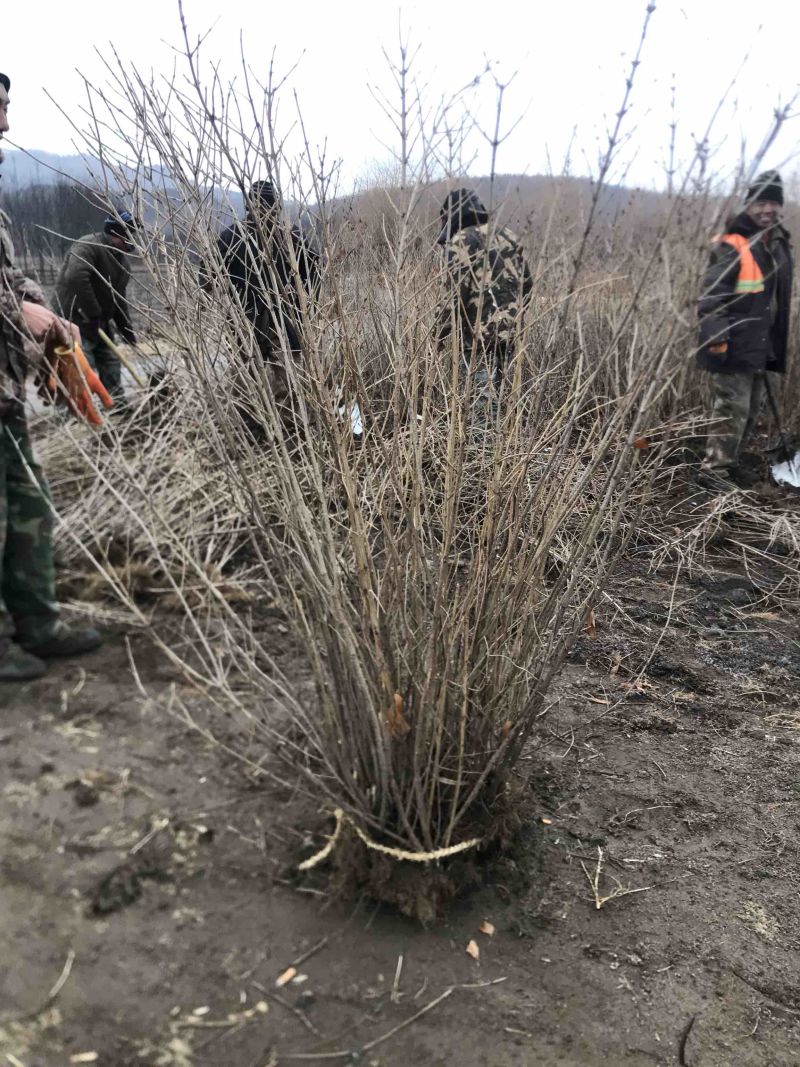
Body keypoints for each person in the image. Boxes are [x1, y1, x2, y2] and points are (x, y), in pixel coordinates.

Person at [0, 71, 102, 681]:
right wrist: (21, 314)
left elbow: (9, 280)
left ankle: (38, 625)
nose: (6, 122)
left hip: (5, 392)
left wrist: (46, 321)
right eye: (0, 107)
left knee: (28, 504)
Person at [697, 169, 793, 483]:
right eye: (760, 202)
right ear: (749, 205)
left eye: (772, 203)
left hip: (761, 343)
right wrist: (718, 339)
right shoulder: (733, 242)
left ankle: (731, 462)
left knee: (750, 410)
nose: (767, 209)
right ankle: (714, 471)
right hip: (732, 343)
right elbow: (712, 295)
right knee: (730, 409)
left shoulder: (778, 241)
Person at [203, 180, 320, 432]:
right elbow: (315, 273)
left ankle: (255, 428)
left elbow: (206, 278)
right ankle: (291, 428)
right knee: (287, 379)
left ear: (248, 206)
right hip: (277, 322)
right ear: (276, 205)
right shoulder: (291, 236)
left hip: (249, 320)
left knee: (252, 378)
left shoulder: (231, 236)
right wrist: (306, 307)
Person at [435, 188, 532, 409]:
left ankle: (484, 444)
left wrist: (438, 336)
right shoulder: (508, 236)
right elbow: (527, 284)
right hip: (509, 335)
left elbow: (452, 299)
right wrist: (514, 317)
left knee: (481, 407)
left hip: (477, 340)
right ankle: (505, 443)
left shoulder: (461, 241)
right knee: (502, 398)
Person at [55, 211, 139, 402]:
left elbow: (118, 299)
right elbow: (76, 276)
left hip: (98, 320)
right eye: (128, 235)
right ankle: (72, 413)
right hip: (72, 318)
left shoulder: (123, 265)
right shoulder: (89, 246)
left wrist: (126, 330)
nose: (131, 240)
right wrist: (94, 314)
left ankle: (116, 404)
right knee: (79, 363)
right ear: (115, 234)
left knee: (110, 359)